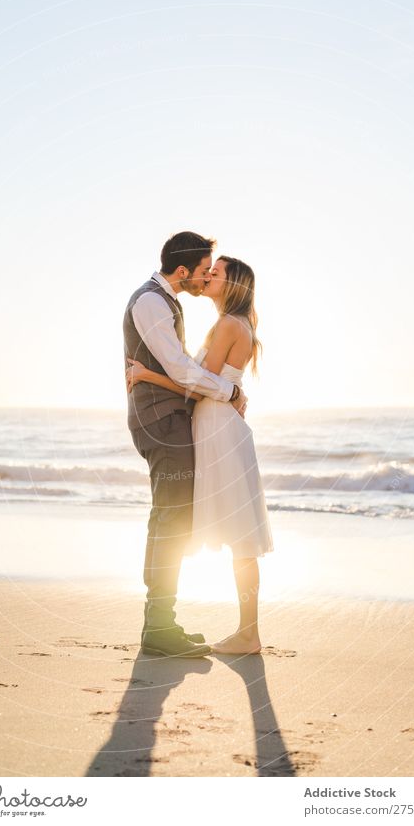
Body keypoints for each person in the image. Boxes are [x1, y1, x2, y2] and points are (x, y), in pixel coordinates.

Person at [127, 255, 273, 655]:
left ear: (234, 284)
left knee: (241, 535)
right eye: (208, 269)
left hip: (219, 428)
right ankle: (246, 631)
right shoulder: (232, 324)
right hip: (215, 425)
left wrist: (146, 375)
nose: (209, 276)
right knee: (238, 535)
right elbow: (202, 381)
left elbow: (194, 385)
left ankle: (248, 633)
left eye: (217, 272)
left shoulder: (228, 325)